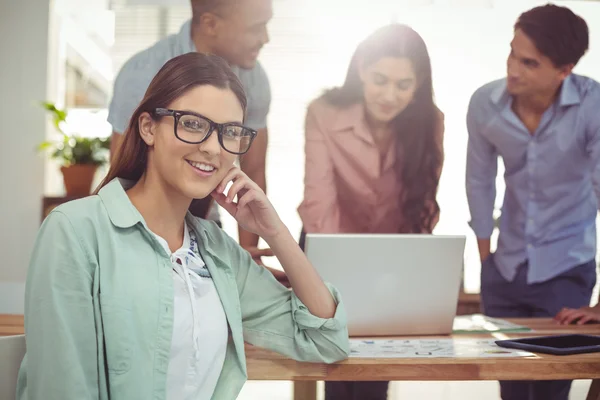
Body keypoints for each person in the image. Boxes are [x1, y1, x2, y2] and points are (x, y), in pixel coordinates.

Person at [16, 53, 349, 400]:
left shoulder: (216, 251)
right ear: (148, 128)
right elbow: (62, 389)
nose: (212, 148)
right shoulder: (74, 232)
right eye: (192, 124)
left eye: (229, 133)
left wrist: (275, 231)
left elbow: (324, 338)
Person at [298, 24, 445, 400]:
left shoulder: (431, 122)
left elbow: (423, 205)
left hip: (391, 255)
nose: (389, 95)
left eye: (403, 84)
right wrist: (332, 287)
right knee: (336, 360)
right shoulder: (323, 112)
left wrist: (408, 280)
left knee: (375, 369)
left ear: (418, 84)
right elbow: (318, 201)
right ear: (361, 68)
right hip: (328, 244)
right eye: (380, 79)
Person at [466, 4, 599, 400]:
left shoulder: (593, 107)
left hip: (565, 268)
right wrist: (486, 257)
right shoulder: (484, 104)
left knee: (549, 391)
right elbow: (478, 180)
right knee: (511, 389)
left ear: (564, 70)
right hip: (503, 269)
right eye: (512, 53)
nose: (513, 69)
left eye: (529, 62)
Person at [107, 0, 283, 279]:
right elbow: (122, 168)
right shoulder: (141, 73)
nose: (265, 38)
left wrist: (249, 259)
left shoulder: (254, 79)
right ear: (210, 24)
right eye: (255, 28)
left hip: (206, 224)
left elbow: (254, 169)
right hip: (142, 224)